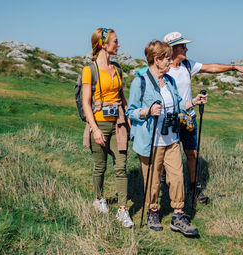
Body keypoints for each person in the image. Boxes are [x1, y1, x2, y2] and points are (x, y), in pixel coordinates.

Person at [163, 32, 243, 204]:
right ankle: (165, 185)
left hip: (189, 118)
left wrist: (235, 68)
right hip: (171, 119)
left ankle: (194, 189)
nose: (186, 48)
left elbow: (211, 68)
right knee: (166, 154)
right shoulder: (164, 68)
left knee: (193, 154)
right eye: (183, 46)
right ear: (173, 49)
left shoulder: (187, 65)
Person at [126, 40, 207, 236]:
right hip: (151, 141)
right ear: (157, 60)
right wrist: (147, 111)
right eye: (167, 59)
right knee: (153, 181)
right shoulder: (141, 81)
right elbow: (131, 111)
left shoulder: (169, 81)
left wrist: (194, 102)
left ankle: (178, 215)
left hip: (171, 139)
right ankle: (152, 211)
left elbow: (178, 105)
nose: (171, 62)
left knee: (177, 178)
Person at [82, 28, 133, 228]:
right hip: (100, 122)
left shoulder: (118, 68)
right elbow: (86, 102)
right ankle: (99, 198)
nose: (118, 45)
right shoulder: (89, 70)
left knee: (121, 166)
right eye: (115, 41)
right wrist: (94, 129)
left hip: (119, 122)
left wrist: (128, 117)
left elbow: (122, 96)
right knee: (100, 166)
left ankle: (123, 209)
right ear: (103, 44)